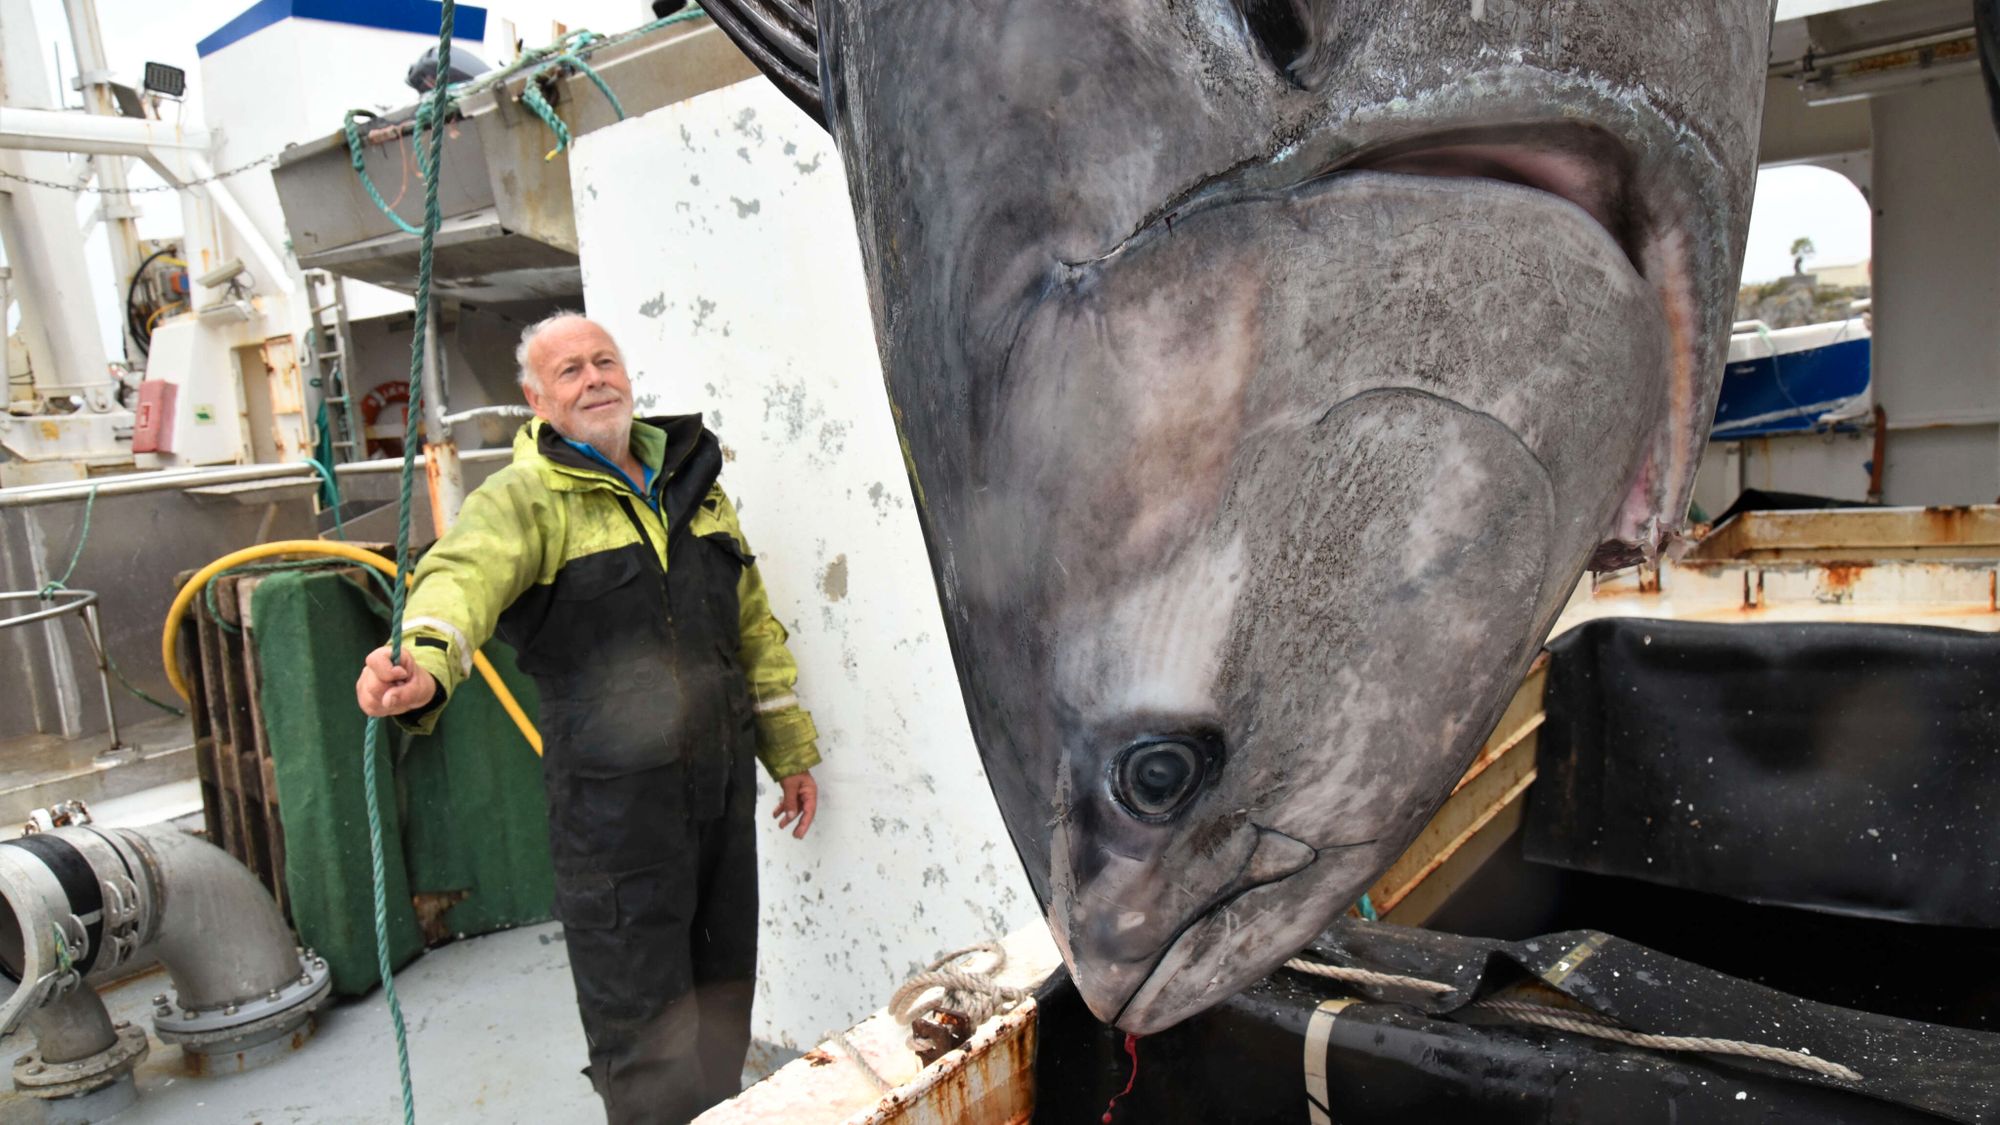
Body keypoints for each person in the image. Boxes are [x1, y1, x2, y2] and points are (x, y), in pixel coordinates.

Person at [354, 312, 822, 1123]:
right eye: (568, 371)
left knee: (721, 1007)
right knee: (644, 1035)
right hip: (614, 823)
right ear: (536, 398)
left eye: (603, 360)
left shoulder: (694, 484)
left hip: (719, 803)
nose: (593, 377)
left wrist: (789, 752)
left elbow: (751, 627)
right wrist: (423, 663)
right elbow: (458, 581)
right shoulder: (524, 501)